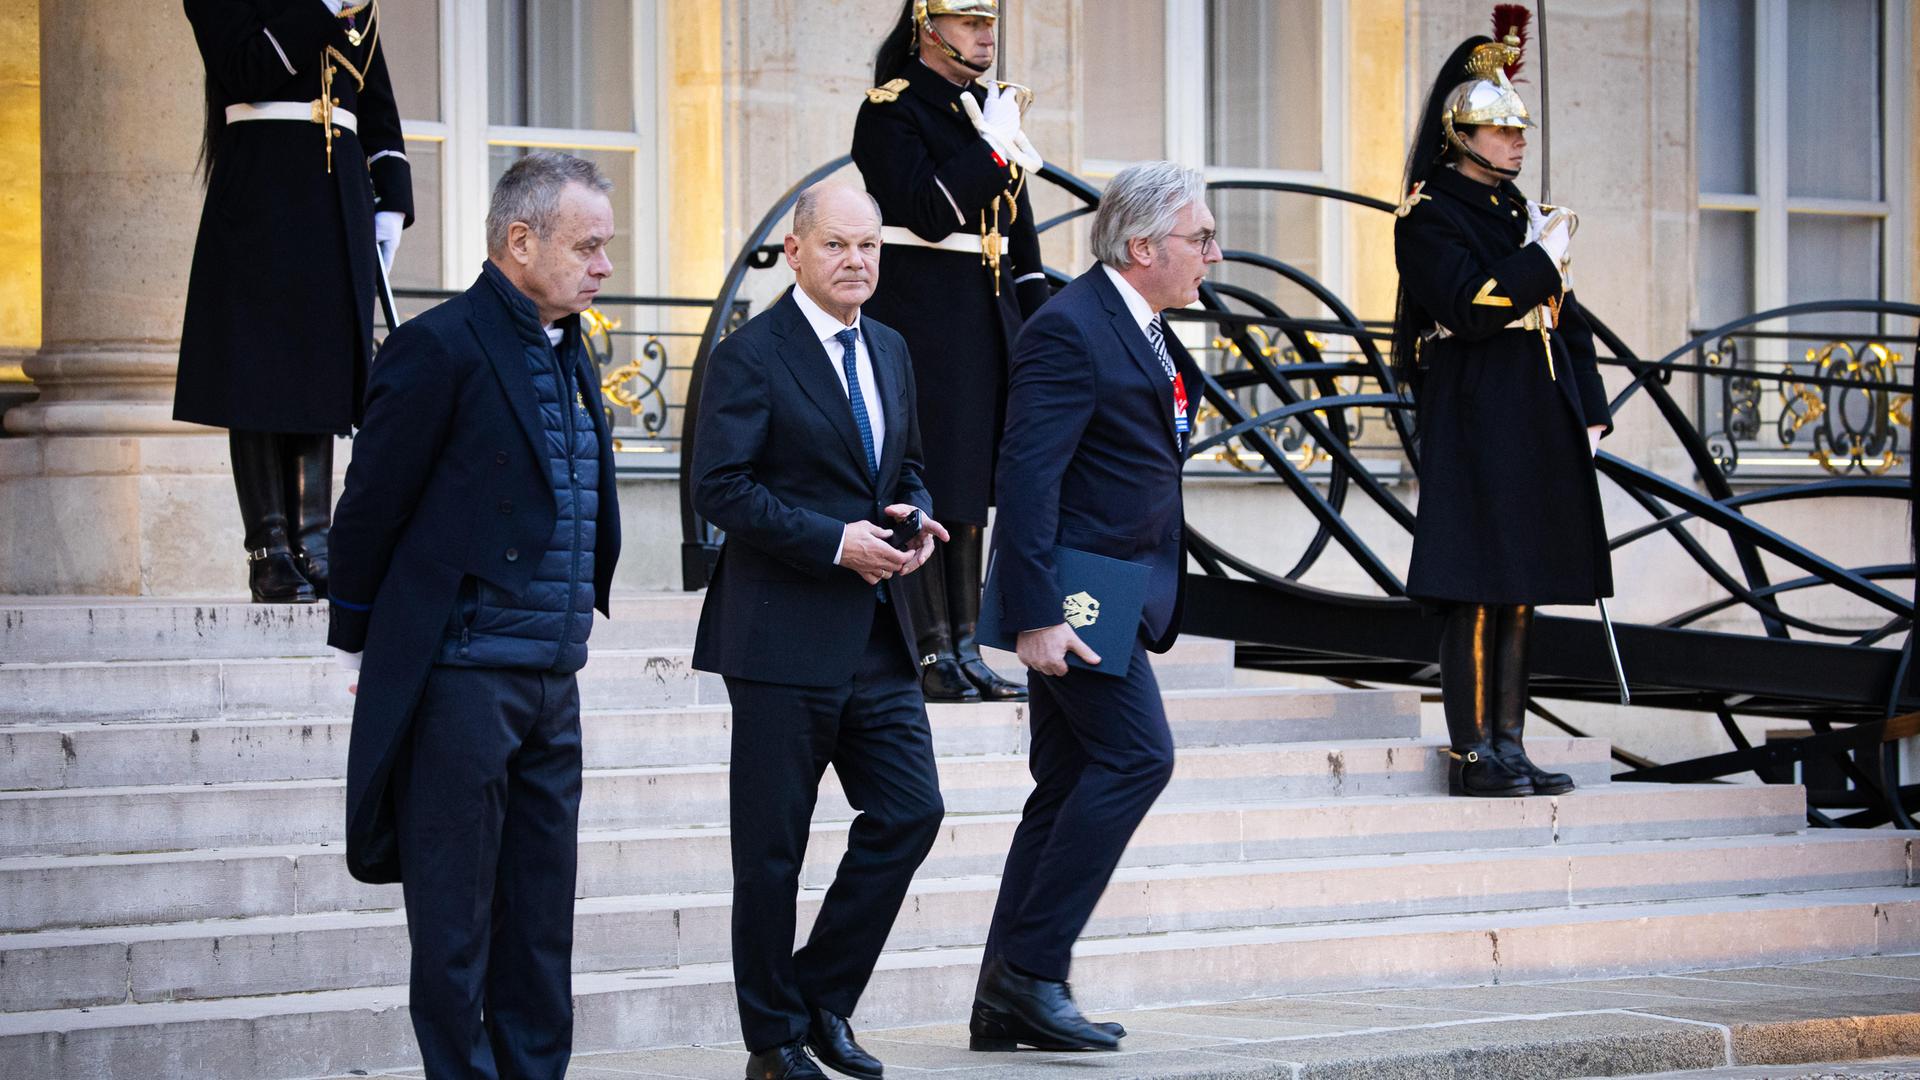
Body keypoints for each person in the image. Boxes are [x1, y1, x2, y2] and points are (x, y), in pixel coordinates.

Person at [326, 152, 622, 1079]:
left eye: (606, 248)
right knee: (455, 923)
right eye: (588, 246)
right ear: (519, 240)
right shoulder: (439, 346)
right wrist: (363, 640)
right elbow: (371, 504)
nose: (604, 266)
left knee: (541, 919)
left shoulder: (572, 349)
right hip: (461, 674)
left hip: (550, 673)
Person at [690, 181, 952, 1080]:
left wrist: (914, 519)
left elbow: (907, 464)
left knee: (913, 811)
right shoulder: (751, 354)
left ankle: (819, 998)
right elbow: (721, 489)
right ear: (796, 252)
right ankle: (772, 1042)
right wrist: (834, 542)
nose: (857, 262)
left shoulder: (890, 347)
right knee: (771, 853)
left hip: (878, 635)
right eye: (838, 245)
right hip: (777, 639)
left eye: (870, 246)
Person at [971, 161, 1218, 1052]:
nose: (1213, 256)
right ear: (1143, 245)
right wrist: (1038, 614)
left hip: (1118, 588)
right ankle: (1032, 971)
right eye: (1200, 238)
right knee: (1138, 759)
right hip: (1079, 593)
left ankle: (1004, 1000)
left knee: (1071, 780)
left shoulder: (1145, 328)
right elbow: (1027, 477)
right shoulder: (1071, 328)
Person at [1390, 17, 1613, 799]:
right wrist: (1538, 259)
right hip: (1475, 406)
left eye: (1519, 129)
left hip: (1532, 406)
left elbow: (1565, 316)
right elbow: (1474, 305)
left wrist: (1589, 409)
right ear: (1461, 134)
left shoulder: (1520, 213)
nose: (1517, 142)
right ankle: (1472, 754)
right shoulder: (1429, 215)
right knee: (1475, 585)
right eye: (1501, 128)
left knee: (1520, 584)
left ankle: (1511, 744)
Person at [177, 0, 412, 602]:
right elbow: (247, 70)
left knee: (322, 367)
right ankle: (269, 548)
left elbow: (374, 100)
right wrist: (320, 10)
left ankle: (316, 539)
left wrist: (390, 195)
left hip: (337, 196)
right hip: (263, 187)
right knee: (256, 374)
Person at [851, 0, 1049, 702]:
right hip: (923, 316)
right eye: (968, 21)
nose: (985, 34)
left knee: (972, 487)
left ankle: (967, 646)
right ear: (927, 28)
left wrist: (1037, 320)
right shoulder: (891, 109)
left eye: (988, 21)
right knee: (932, 482)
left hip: (983, 315)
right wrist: (992, 150)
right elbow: (930, 213)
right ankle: (931, 652)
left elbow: (1017, 236)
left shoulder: (985, 109)